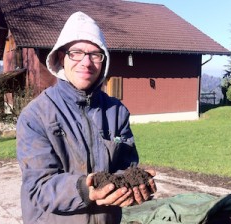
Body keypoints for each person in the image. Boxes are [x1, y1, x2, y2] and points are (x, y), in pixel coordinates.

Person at [16, 11, 157, 224]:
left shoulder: (116, 112)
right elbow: (38, 187)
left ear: (103, 61)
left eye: (94, 54)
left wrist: (132, 186)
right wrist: (85, 189)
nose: (86, 62)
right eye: (76, 53)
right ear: (61, 57)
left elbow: (126, 167)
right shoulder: (36, 115)